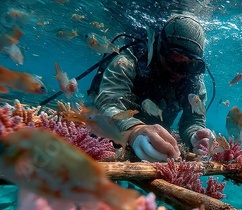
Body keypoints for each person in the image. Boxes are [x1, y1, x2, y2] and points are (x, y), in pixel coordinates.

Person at [91, 14, 214, 162]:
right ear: (161, 46)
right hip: (110, 131)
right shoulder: (129, 61)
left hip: (157, 141)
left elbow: (193, 120)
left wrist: (195, 136)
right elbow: (108, 101)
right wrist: (134, 130)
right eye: (176, 57)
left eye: (190, 63)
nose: (180, 70)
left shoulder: (194, 83)